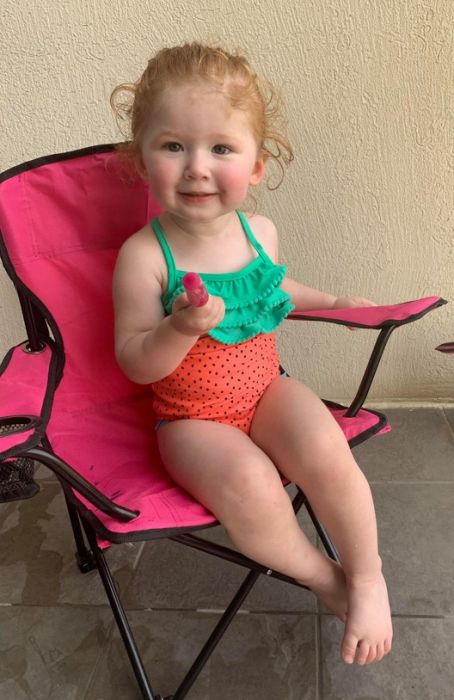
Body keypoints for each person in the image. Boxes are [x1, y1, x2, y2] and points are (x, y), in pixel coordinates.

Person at [111, 41, 393, 666]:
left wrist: (334, 300)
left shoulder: (258, 233)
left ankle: (368, 573)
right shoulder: (145, 256)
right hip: (190, 420)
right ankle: (327, 579)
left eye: (221, 148)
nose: (197, 167)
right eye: (173, 145)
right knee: (250, 484)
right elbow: (133, 360)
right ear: (141, 160)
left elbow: (275, 288)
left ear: (257, 166)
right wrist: (179, 329)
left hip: (266, 389)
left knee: (325, 447)